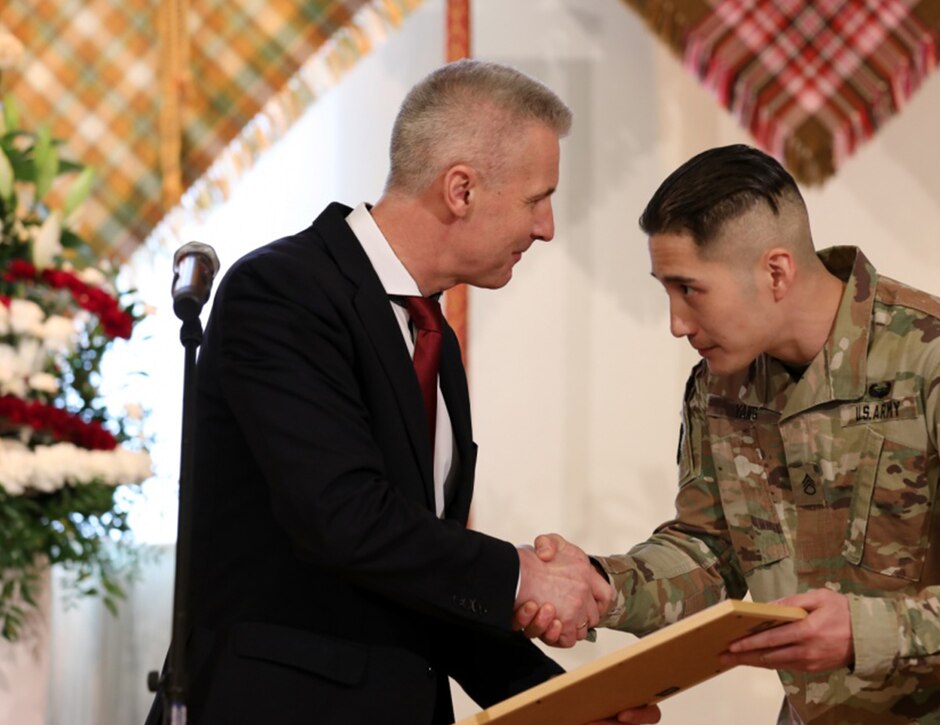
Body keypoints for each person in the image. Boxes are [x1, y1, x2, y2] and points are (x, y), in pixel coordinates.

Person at [146, 60, 658, 725]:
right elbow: (344, 517)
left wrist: (558, 703)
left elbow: (414, 579)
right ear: (461, 190)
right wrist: (519, 575)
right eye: (538, 197)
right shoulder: (282, 292)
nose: (547, 227)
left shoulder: (427, 331)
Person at [520, 144, 940, 723]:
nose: (676, 323)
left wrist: (867, 632)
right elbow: (712, 549)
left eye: (689, 289)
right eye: (665, 290)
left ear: (775, 271)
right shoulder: (720, 387)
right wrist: (605, 585)